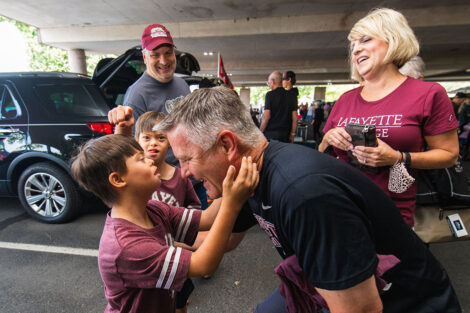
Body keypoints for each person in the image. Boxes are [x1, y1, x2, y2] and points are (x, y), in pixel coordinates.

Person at [156, 86, 461, 313]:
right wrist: (156, 247)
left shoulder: (304, 193)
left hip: (404, 303)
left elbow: (361, 309)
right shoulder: (248, 175)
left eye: (188, 159)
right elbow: (224, 240)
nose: (184, 173)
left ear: (226, 145)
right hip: (321, 279)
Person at [70, 134, 258, 313]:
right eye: (140, 159)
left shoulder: (153, 209)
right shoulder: (126, 247)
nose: (150, 160)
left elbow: (207, 218)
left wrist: (230, 181)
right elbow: (203, 264)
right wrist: (232, 203)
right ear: (118, 180)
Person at [319, 8, 459, 227]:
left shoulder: (428, 93)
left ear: (393, 40)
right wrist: (328, 139)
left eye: (365, 40)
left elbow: (449, 155)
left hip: (391, 215)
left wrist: (398, 157)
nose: (355, 50)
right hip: (339, 208)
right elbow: (322, 155)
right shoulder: (346, 99)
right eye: (353, 45)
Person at [109, 108, 200, 312]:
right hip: (152, 261)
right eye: (146, 137)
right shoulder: (132, 180)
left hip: (175, 255)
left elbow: (196, 210)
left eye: (160, 137)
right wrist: (122, 130)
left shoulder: (179, 177)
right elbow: (114, 164)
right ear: (136, 142)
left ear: (170, 141)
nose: (153, 143)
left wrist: (182, 241)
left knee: (179, 299)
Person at [123, 23, 208, 210]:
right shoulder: (136, 94)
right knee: (175, 235)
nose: (164, 60)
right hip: (166, 186)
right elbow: (135, 149)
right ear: (145, 57)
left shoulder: (182, 85)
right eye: (155, 54)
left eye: (168, 53)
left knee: (205, 229)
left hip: (195, 177)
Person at [260, 71, 298, 143]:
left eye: (268, 82)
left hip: (271, 136)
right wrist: (292, 135)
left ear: (272, 81)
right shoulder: (292, 96)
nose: (269, 85)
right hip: (286, 136)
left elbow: (266, 117)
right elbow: (295, 118)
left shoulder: (270, 95)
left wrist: (260, 132)